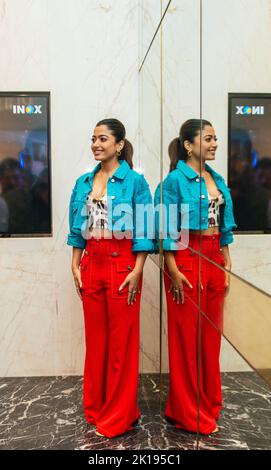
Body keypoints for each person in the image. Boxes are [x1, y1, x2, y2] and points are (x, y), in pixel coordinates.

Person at [67, 118, 154, 438]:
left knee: (122, 344)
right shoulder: (82, 182)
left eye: (103, 139)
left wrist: (137, 269)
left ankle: (119, 414)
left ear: (119, 145)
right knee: (97, 341)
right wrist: (75, 264)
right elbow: (77, 230)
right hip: (92, 263)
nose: (96, 144)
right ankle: (96, 407)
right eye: (93, 139)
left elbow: (145, 230)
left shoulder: (135, 182)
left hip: (124, 266)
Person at [155, 119, 236, 434]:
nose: (214, 143)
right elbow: (165, 229)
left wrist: (226, 257)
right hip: (186, 258)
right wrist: (172, 266)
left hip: (214, 257)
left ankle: (208, 404)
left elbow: (224, 224)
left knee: (210, 338)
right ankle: (187, 412)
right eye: (207, 138)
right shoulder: (174, 182)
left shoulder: (217, 179)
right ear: (188, 145)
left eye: (215, 138)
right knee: (185, 339)